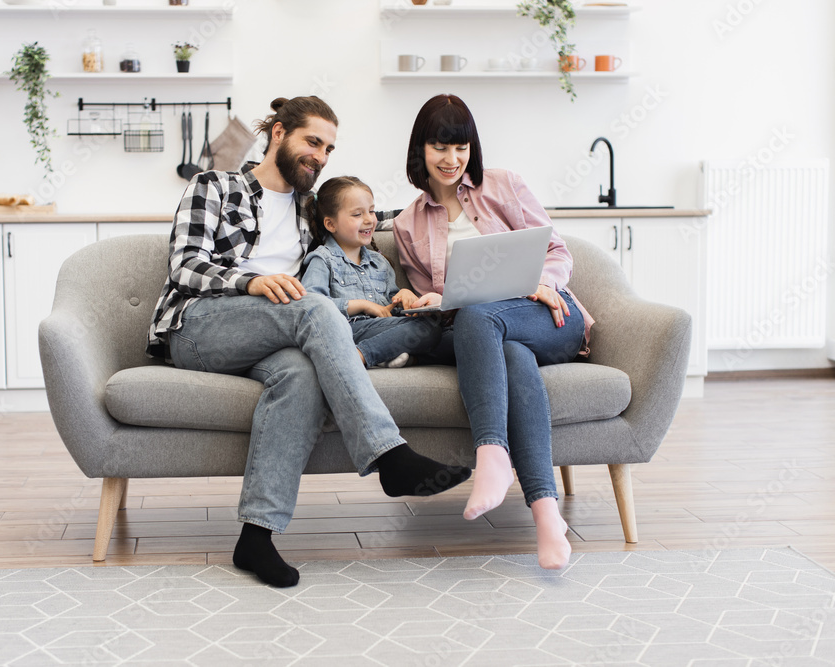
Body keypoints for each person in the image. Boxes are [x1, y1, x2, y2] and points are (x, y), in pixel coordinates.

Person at [148, 96, 471, 588]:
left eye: (328, 149)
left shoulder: (310, 207)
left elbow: (374, 217)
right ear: (278, 133)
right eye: (312, 142)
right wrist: (251, 283)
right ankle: (391, 458)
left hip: (271, 334)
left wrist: (447, 190)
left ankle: (256, 536)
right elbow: (185, 265)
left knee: (300, 375)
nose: (320, 156)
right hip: (199, 327)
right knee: (316, 307)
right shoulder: (215, 185)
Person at [392, 94, 595, 570]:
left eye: (461, 147)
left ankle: (492, 455)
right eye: (440, 147)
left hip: (546, 314)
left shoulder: (504, 185)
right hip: (488, 333)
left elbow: (557, 251)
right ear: (420, 149)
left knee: (481, 316)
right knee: (507, 350)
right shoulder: (406, 225)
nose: (452, 159)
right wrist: (434, 301)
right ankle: (547, 516)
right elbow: (435, 301)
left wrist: (543, 283)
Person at [301, 176, 441, 369]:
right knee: (427, 329)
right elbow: (311, 305)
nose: (368, 220)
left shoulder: (380, 262)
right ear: (331, 224)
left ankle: (396, 356)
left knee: (453, 336)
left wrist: (404, 296)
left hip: (384, 328)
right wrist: (363, 305)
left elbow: (391, 306)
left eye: (372, 211)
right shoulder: (323, 259)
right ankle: (357, 356)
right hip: (350, 329)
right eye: (357, 214)